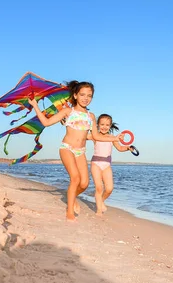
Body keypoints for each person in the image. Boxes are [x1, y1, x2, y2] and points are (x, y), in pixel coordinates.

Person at [28, 81, 122, 221]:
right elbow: (46, 123)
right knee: (75, 178)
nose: (86, 98)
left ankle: (71, 197)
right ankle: (69, 211)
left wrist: (115, 138)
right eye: (82, 94)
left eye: (89, 95)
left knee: (84, 183)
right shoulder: (68, 112)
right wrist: (35, 106)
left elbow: (96, 136)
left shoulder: (91, 116)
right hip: (67, 148)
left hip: (80, 151)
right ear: (75, 95)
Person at [87, 114, 132, 216]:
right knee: (99, 187)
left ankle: (100, 201)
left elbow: (120, 148)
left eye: (107, 125)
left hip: (107, 165)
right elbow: (83, 136)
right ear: (98, 125)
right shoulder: (95, 136)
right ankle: (99, 210)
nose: (104, 127)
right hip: (96, 164)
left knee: (109, 188)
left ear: (110, 126)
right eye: (102, 124)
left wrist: (128, 148)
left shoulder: (112, 138)